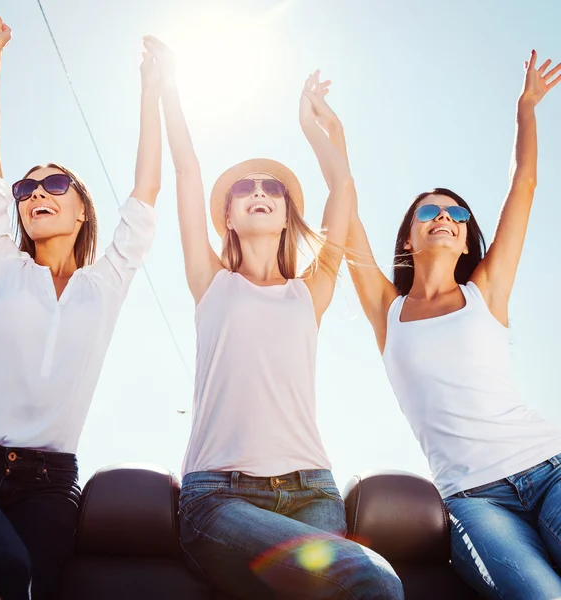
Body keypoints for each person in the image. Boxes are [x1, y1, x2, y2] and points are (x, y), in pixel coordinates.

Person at [146, 34, 404, 600]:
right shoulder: (211, 282)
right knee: (368, 577)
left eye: (273, 188)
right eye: (245, 189)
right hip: (218, 496)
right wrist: (168, 90)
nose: (260, 192)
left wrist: (313, 127)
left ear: (287, 213)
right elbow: (189, 174)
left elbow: (342, 189)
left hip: (313, 491)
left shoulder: (309, 293)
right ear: (229, 217)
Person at [345, 50, 561, 598]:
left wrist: (527, 109)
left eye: (457, 214)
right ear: (408, 238)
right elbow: (345, 219)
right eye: (429, 212)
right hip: (475, 498)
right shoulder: (386, 310)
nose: (445, 217)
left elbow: (526, 183)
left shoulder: (486, 291)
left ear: (466, 237)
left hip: (550, 468)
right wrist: (332, 140)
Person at [0, 10, 162, 600]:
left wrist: (152, 91)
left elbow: (145, 192)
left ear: (82, 210)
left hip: (48, 484)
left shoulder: (107, 282)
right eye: (26, 189)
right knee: (3, 567)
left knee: (37, 585)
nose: (35, 195)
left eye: (55, 186)